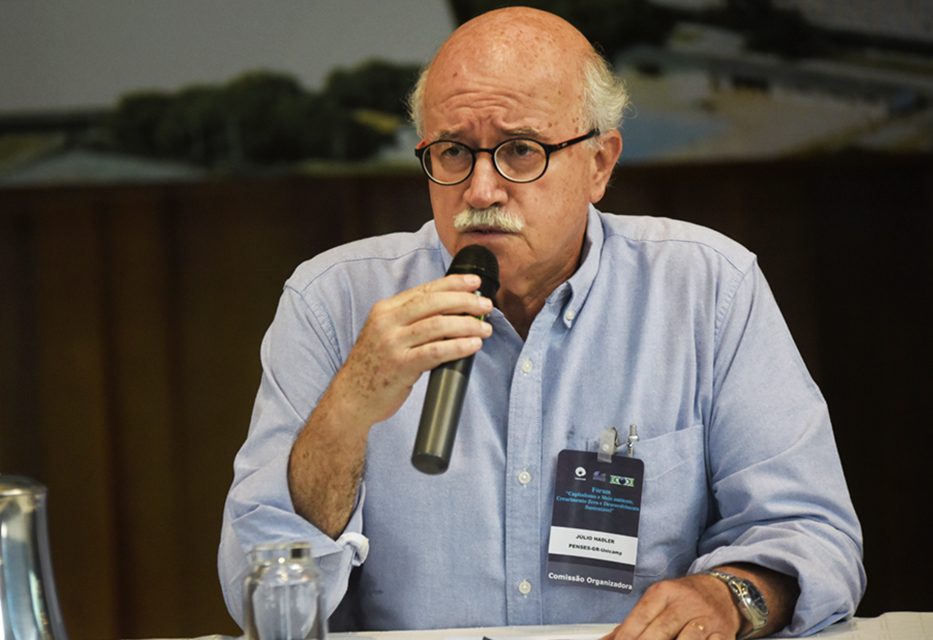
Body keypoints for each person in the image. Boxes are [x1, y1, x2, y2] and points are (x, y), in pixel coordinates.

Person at [219, 7, 864, 639]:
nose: (479, 191)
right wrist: (348, 411)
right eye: (452, 152)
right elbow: (255, 578)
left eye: (519, 150)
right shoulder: (331, 302)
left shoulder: (708, 289)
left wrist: (730, 596)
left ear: (600, 163)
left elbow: (813, 534)